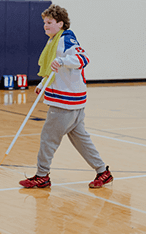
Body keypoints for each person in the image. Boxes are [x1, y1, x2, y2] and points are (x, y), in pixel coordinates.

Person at [19, 4, 113, 189]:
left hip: (65, 103)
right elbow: (53, 70)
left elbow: (82, 59)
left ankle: (42, 175)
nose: (45, 26)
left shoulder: (66, 39)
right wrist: (42, 84)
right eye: (44, 22)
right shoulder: (54, 40)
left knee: (48, 138)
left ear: (60, 23)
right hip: (75, 102)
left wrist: (62, 60)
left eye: (49, 22)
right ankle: (103, 172)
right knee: (81, 140)